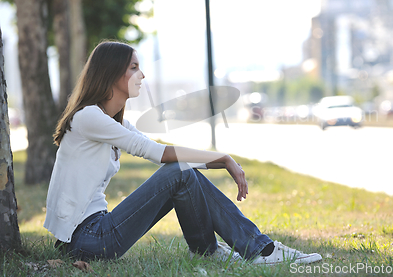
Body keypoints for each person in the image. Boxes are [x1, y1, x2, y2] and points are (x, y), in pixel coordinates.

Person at [44, 41, 322, 265]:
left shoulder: (112, 121)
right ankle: (258, 250)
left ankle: (213, 250)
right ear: (112, 73)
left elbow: (168, 153)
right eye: (134, 68)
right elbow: (157, 153)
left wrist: (217, 161)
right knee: (178, 172)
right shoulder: (88, 118)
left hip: (94, 234)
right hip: (87, 239)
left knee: (183, 173)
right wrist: (222, 158)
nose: (142, 75)